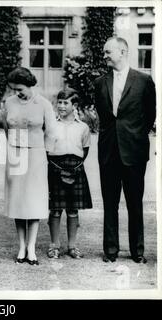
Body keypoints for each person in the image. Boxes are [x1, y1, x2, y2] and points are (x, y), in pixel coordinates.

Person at [94, 37, 156, 263]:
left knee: (135, 203)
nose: (104, 56)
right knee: (109, 203)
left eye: (108, 52)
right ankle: (110, 251)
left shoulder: (144, 81)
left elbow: (150, 115)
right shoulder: (100, 82)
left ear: (122, 51)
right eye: (103, 52)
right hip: (108, 151)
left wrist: (134, 135)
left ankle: (137, 252)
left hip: (134, 151)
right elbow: (104, 117)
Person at [2, 67, 56, 265]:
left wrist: (45, 155)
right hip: (15, 154)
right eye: (14, 89)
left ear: (30, 85)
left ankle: (32, 247)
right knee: (18, 201)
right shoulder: (8, 103)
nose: (17, 93)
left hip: (35, 156)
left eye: (20, 89)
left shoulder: (43, 104)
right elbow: (6, 126)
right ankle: (22, 246)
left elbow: (51, 132)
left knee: (33, 202)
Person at [46, 89, 92, 260]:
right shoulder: (51, 125)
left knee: (73, 210)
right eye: (59, 102)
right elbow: (47, 149)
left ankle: (72, 246)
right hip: (55, 166)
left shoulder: (83, 127)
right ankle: (54, 246)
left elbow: (85, 150)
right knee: (56, 209)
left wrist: (74, 166)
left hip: (76, 167)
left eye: (66, 103)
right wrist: (57, 166)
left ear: (75, 105)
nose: (61, 106)